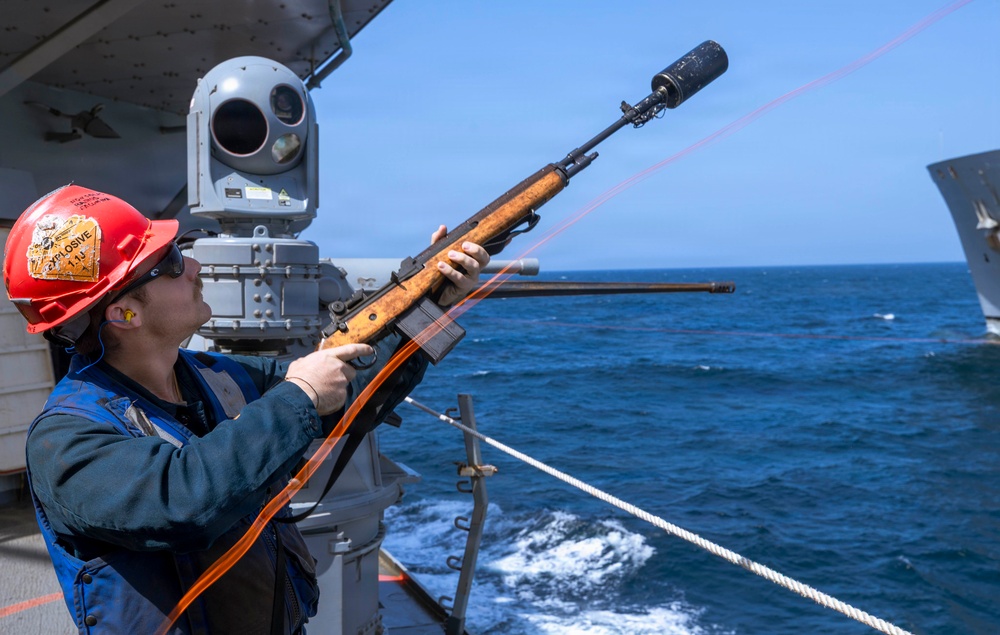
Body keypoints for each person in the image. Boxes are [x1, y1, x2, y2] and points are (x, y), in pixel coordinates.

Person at [2, 184, 489, 634]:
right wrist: (298, 395)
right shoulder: (66, 442)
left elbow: (349, 392)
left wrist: (432, 304)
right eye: (171, 262)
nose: (193, 267)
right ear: (124, 313)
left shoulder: (214, 376)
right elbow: (183, 502)